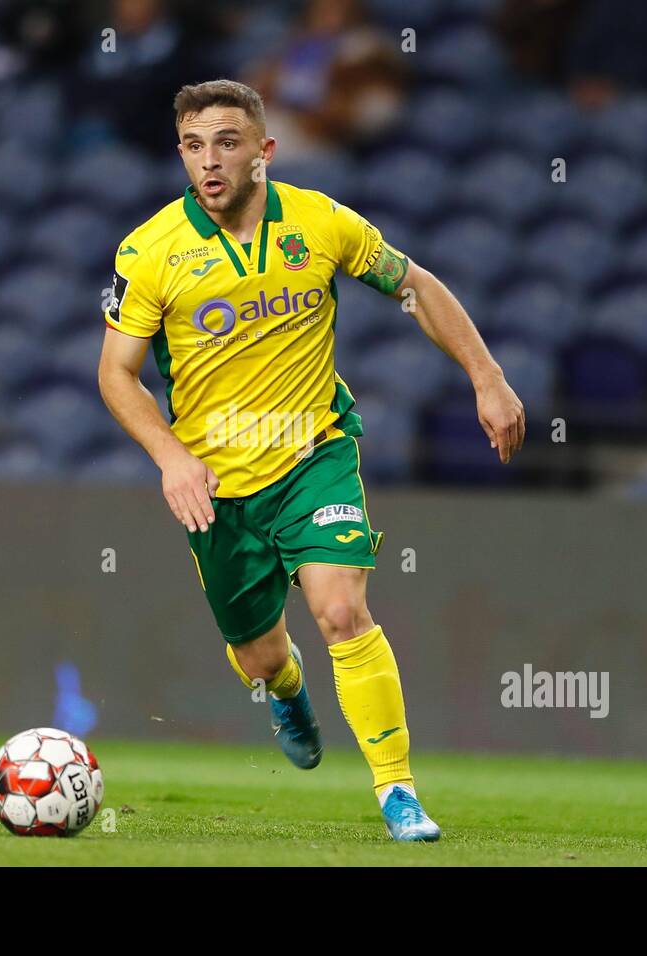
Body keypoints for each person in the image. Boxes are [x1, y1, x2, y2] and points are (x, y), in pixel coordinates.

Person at [97, 79, 524, 841]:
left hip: (314, 454)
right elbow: (115, 374)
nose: (209, 161)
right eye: (194, 146)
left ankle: (398, 793)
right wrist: (171, 457)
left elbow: (414, 285)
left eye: (227, 142)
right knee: (259, 660)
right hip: (217, 484)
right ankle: (286, 686)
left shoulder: (320, 221)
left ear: (264, 151)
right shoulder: (151, 250)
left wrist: (486, 378)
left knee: (339, 609)